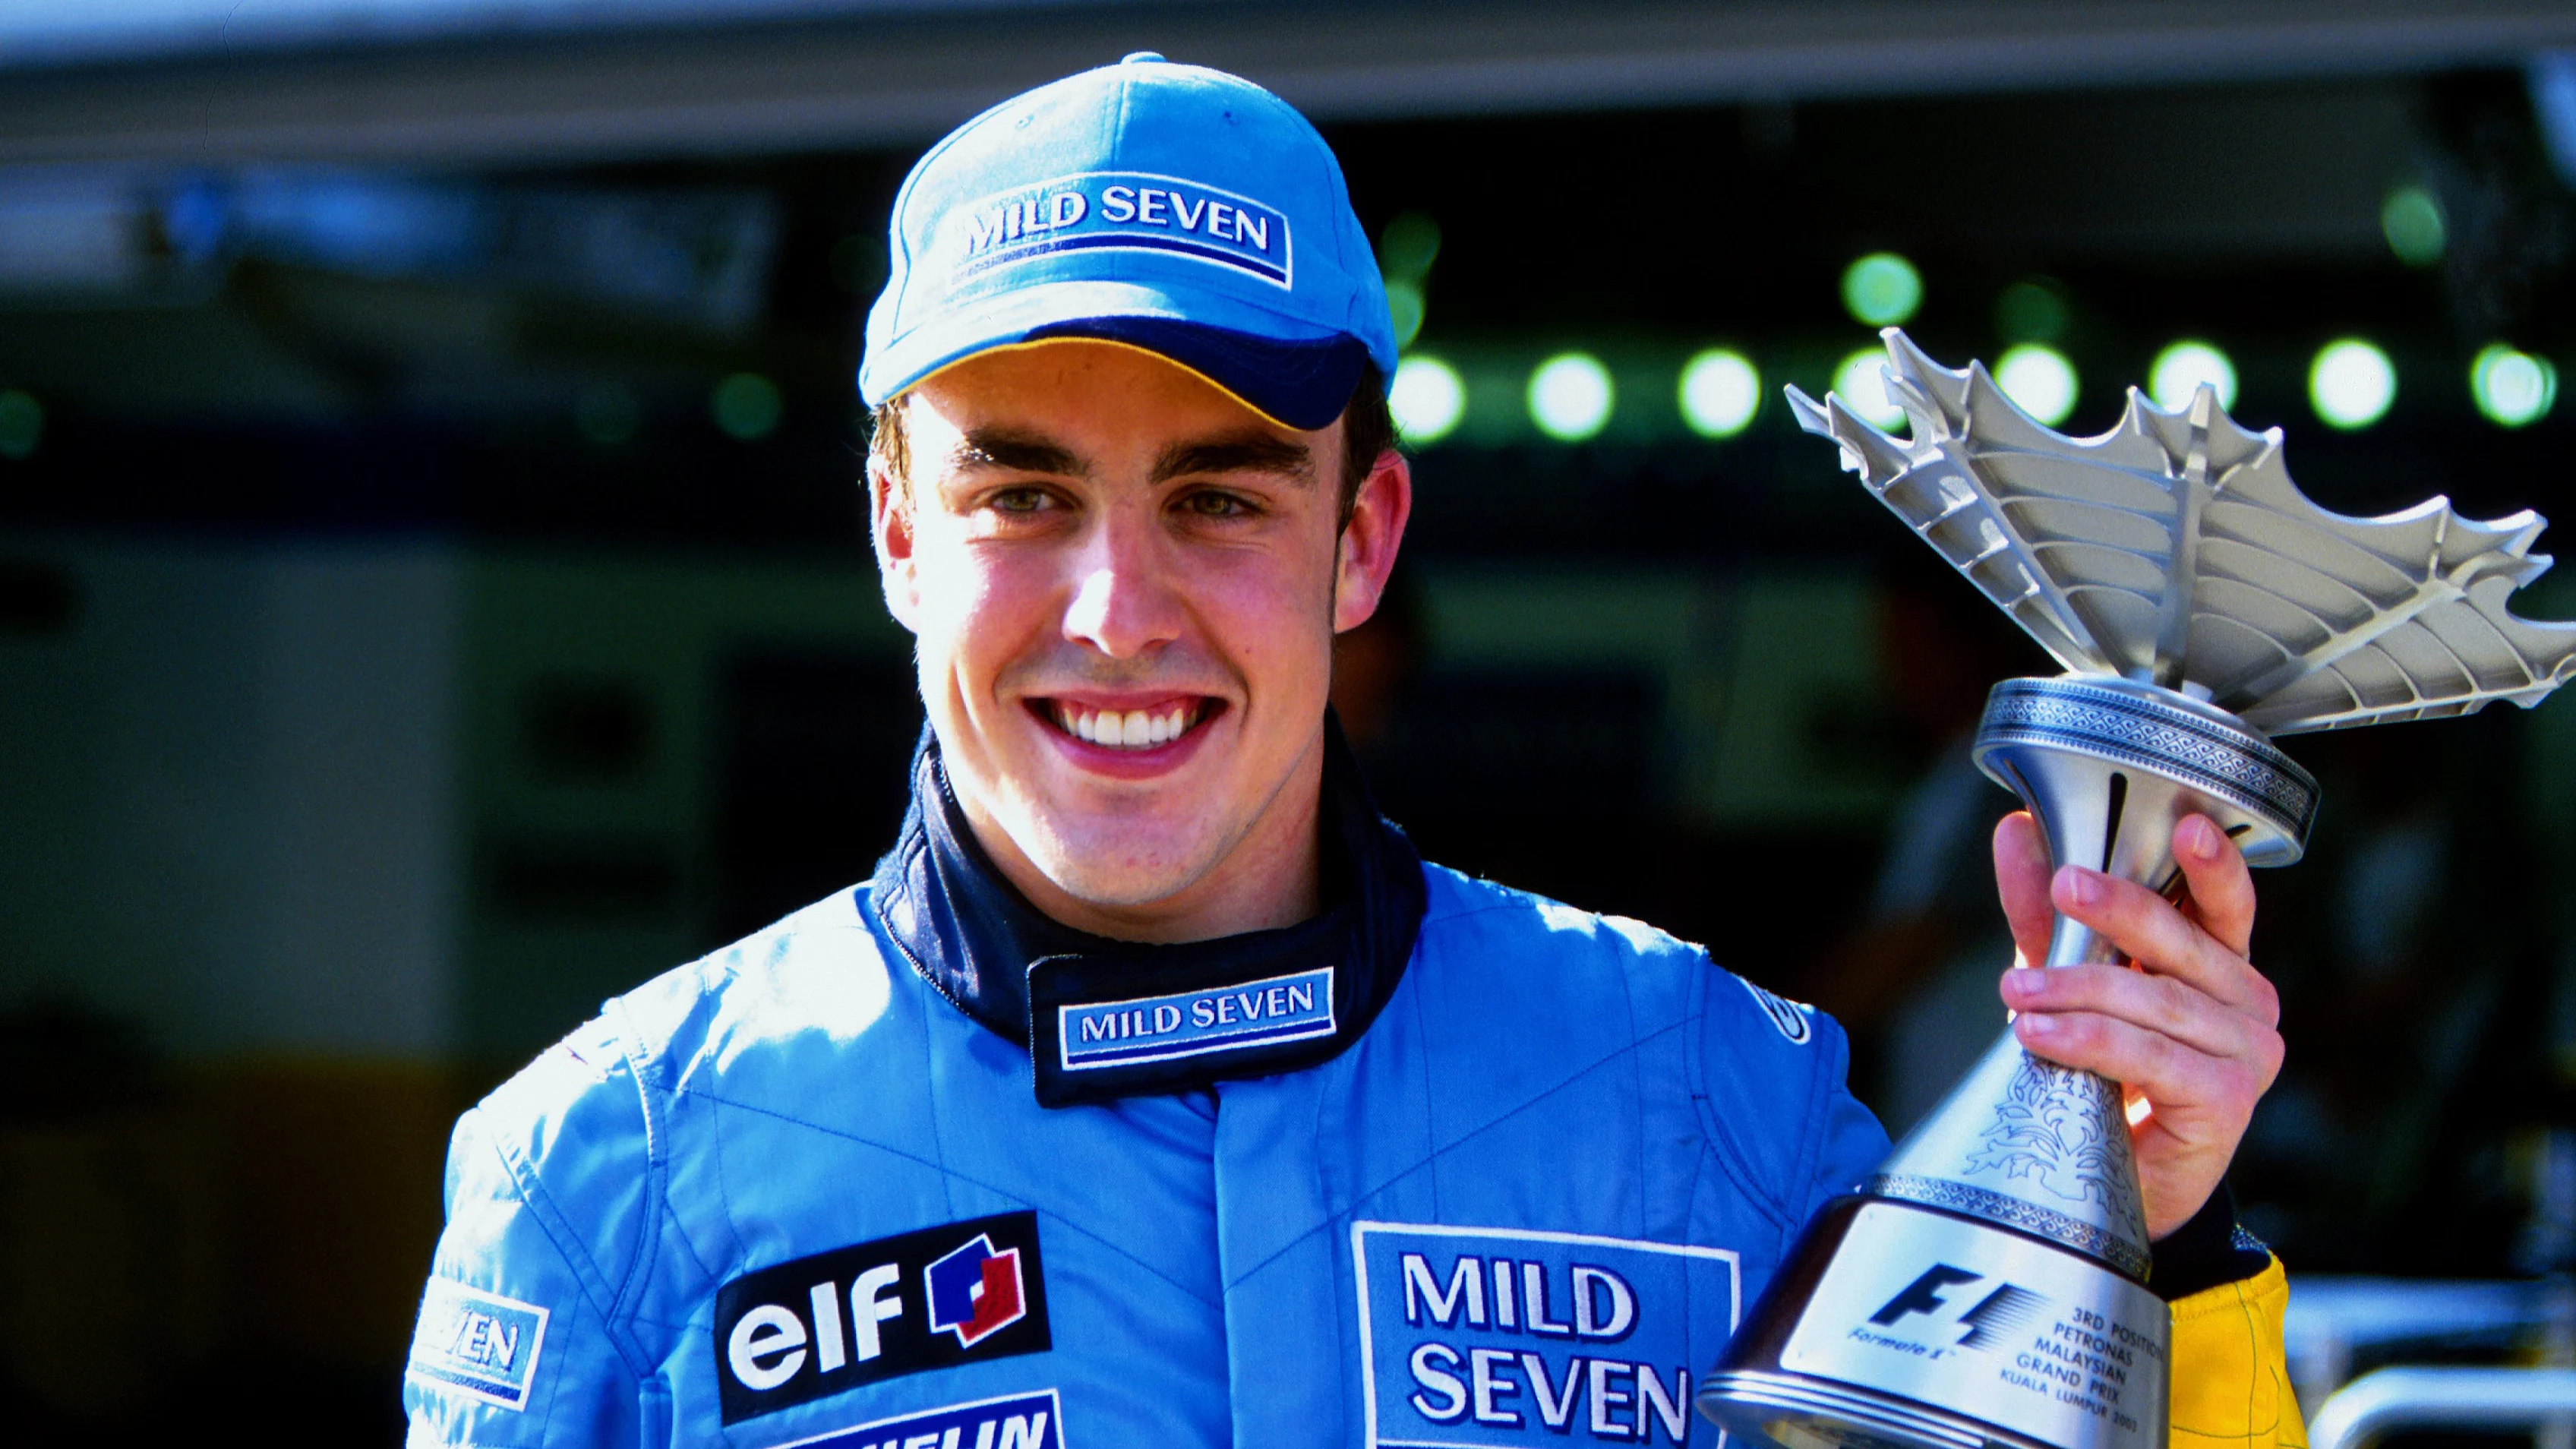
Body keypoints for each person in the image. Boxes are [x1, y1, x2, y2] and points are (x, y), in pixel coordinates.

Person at [402, 55, 2298, 1449]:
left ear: (1363, 540)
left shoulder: (1718, 1107)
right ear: (896, 528)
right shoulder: (605, 1176)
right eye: (1022, 495)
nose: (1115, 608)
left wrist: (2165, 1244)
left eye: (1219, 498)